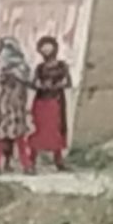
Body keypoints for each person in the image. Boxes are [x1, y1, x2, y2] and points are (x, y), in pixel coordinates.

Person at [0, 39, 35, 171]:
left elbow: (27, 81)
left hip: (15, 106)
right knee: (1, 137)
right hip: (2, 107)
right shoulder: (2, 67)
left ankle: (25, 164)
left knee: (17, 137)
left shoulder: (21, 67)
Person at [31, 36, 72, 167]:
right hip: (41, 101)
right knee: (38, 129)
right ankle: (32, 159)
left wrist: (55, 86)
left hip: (56, 101)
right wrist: (42, 85)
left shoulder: (62, 65)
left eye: (48, 46)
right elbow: (35, 83)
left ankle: (58, 160)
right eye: (43, 47)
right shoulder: (39, 67)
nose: (46, 50)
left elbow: (67, 82)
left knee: (56, 129)